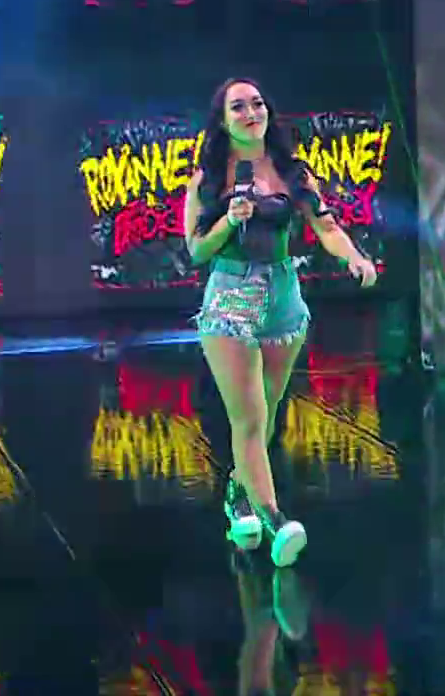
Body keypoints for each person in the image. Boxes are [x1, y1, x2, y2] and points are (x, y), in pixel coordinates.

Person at [184, 78, 379, 566]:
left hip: (283, 296)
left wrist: (354, 257)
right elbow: (197, 249)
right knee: (249, 419)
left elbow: (326, 226)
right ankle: (276, 521)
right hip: (232, 296)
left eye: (257, 104)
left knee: (267, 413)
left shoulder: (293, 172)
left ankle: (238, 497)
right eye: (238, 106)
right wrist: (230, 220)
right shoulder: (208, 179)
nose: (250, 112)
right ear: (222, 120)